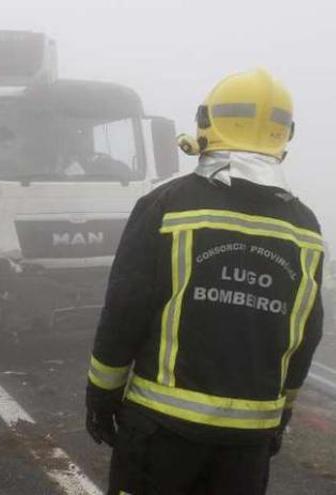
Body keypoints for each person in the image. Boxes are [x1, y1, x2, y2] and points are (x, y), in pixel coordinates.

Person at [85, 69, 323, 495]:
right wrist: (280, 414)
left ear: (206, 122)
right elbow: (305, 331)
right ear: (284, 135)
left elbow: (125, 308)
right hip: (248, 444)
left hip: (160, 434)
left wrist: (102, 395)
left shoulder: (168, 204)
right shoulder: (304, 227)